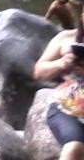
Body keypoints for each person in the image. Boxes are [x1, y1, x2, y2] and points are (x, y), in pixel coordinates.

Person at [34, 21, 84, 160]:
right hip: (67, 109)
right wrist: (61, 63)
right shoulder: (66, 38)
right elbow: (39, 71)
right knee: (74, 147)